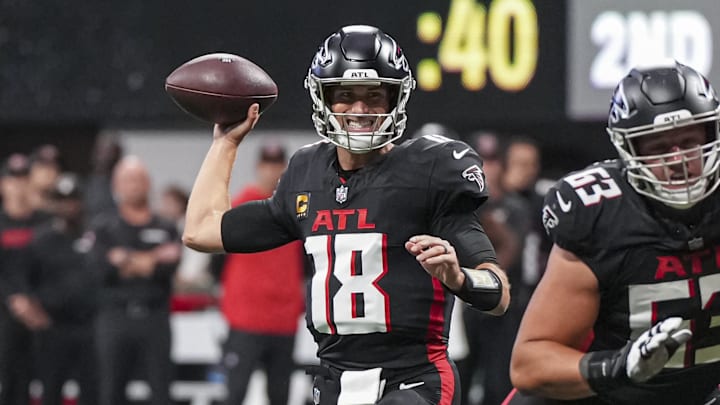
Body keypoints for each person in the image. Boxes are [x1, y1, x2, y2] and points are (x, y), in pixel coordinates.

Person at [183, 24, 510, 405]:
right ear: (323, 98)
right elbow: (201, 231)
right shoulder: (307, 173)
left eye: (374, 96)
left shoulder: (430, 170)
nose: (360, 110)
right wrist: (225, 142)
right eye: (345, 96)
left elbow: (498, 291)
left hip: (412, 379)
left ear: (396, 100)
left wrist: (458, 276)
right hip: (334, 381)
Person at [506, 61, 720, 405]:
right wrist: (618, 367)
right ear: (627, 151)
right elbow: (530, 364)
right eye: (658, 147)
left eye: (688, 141)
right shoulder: (602, 215)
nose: (678, 161)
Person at [216, 142, 305, 405]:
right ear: (258, 167)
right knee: (235, 392)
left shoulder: (296, 211)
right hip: (245, 318)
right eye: (268, 164)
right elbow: (217, 259)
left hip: (283, 320)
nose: (272, 171)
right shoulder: (241, 205)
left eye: (277, 165)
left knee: (279, 395)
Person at [89, 156, 182, 405]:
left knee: (161, 392)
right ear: (116, 185)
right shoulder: (104, 227)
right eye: (128, 179)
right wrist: (152, 258)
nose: (134, 185)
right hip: (114, 318)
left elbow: (168, 268)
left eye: (139, 179)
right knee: (110, 391)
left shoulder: (166, 226)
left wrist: (125, 260)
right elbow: (101, 270)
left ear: (149, 183)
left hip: (155, 318)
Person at [22, 173, 98, 405]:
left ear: (82, 202)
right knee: (51, 390)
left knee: (92, 392)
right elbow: (25, 280)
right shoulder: (41, 239)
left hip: (90, 328)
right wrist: (33, 309)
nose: (69, 206)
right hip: (53, 327)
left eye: (73, 200)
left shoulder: (95, 236)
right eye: (63, 200)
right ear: (55, 203)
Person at [0, 153, 52, 405]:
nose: (18, 185)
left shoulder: (45, 223)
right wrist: (14, 299)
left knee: (45, 382)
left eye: (23, 178)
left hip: (41, 312)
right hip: (5, 314)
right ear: (3, 184)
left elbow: (53, 265)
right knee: (10, 380)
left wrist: (35, 301)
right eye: (13, 179)